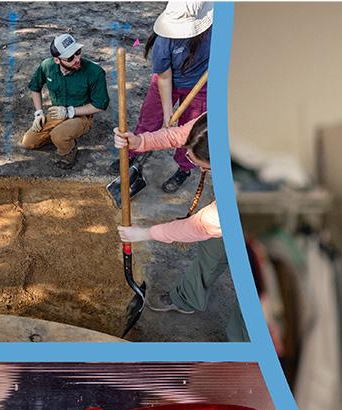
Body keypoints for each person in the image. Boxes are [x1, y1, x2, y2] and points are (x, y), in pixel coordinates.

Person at [114, 113, 247, 341]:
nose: (187, 157)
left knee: (247, 318)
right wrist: (140, 142)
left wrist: (145, 233)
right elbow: (183, 135)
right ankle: (187, 298)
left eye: (198, 163)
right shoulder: (214, 123)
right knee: (213, 249)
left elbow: (200, 226)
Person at [130, 0, 212, 195]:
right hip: (168, 81)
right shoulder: (164, 41)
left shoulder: (215, 30)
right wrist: (168, 113)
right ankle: (133, 155)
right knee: (149, 120)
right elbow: (164, 77)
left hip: (200, 85)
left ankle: (184, 167)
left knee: (194, 132)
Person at [22, 33, 110, 169]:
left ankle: (68, 150)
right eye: (70, 57)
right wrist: (39, 112)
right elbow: (35, 88)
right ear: (57, 60)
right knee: (28, 142)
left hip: (81, 115)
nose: (77, 59)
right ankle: (59, 136)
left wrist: (70, 111)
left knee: (59, 135)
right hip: (57, 113)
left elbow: (100, 105)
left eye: (78, 52)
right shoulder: (47, 66)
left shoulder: (95, 72)